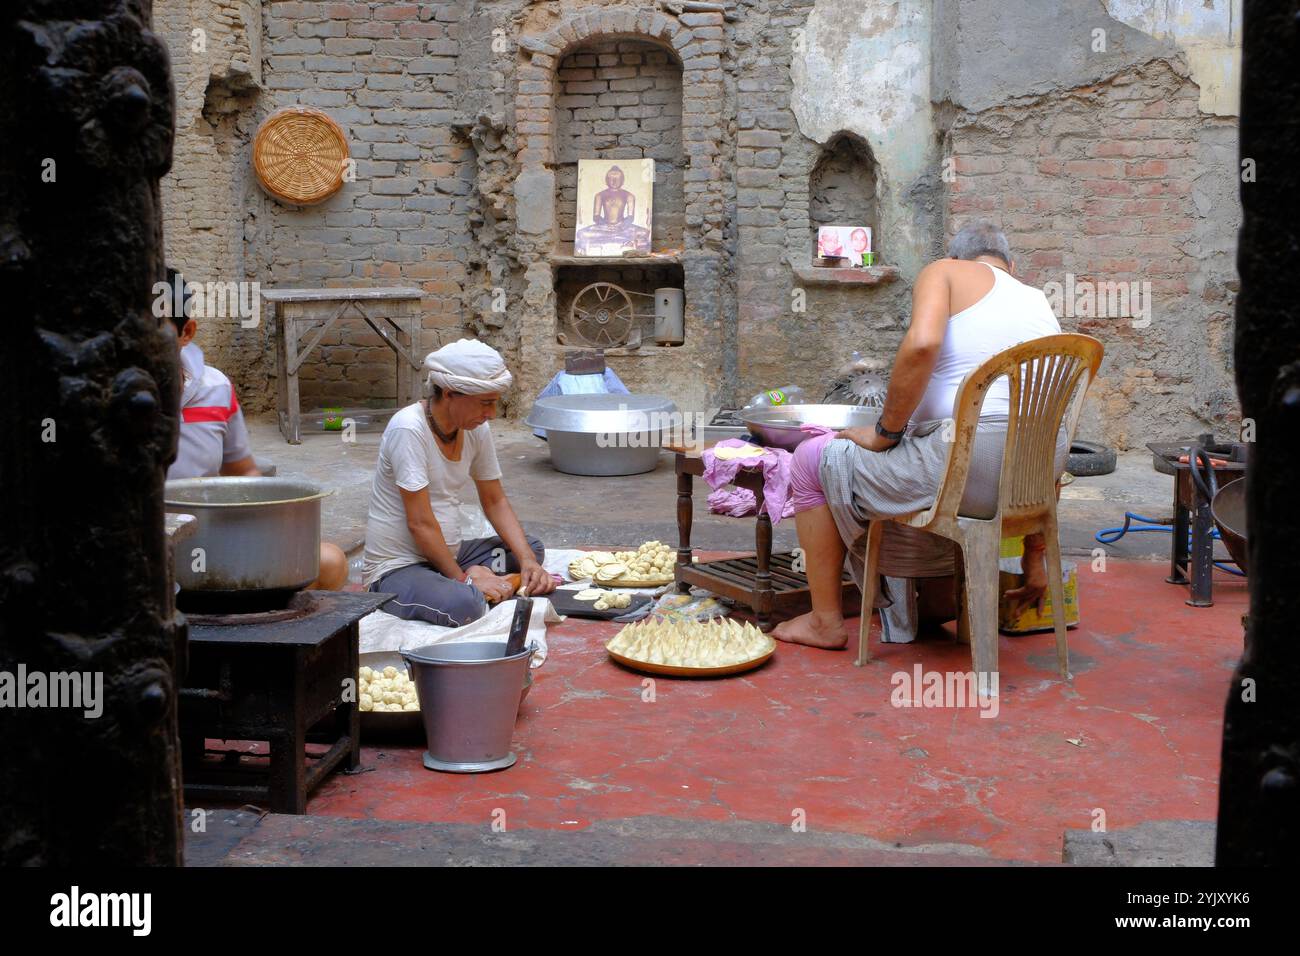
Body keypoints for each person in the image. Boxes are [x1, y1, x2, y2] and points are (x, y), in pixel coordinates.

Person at [774, 221, 1067, 649]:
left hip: (967, 468)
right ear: (1012, 265)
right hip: (1035, 475)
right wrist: (1033, 559)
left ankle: (825, 621)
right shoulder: (1038, 301)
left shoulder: (944, 271)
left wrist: (884, 433)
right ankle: (925, 600)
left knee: (809, 459)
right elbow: (1042, 428)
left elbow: (923, 344)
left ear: (956, 257)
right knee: (922, 453)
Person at [161, 268, 348, 590]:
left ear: (186, 332)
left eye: (150, 330)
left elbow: (242, 471)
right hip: (135, 550)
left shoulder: (215, 389)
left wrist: (264, 524)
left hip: (202, 539)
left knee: (329, 562)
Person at [361, 339, 556, 627]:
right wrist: (465, 580)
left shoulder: (476, 428)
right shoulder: (408, 429)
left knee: (530, 548)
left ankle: (475, 576)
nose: (491, 413)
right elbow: (420, 524)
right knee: (466, 605)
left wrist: (527, 561)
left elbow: (494, 500)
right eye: (485, 403)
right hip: (399, 567)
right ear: (450, 393)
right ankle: (464, 581)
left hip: (450, 553)